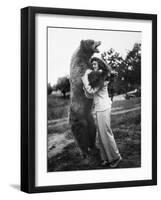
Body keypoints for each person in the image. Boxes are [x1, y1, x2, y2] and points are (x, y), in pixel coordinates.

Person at [81, 57, 122, 168]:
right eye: (92, 64)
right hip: (99, 108)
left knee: (106, 134)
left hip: (104, 107)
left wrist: (84, 78)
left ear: (99, 64)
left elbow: (91, 90)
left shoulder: (102, 76)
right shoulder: (97, 76)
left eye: (94, 64)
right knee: (101, 135)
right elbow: (90, 94)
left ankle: (116, 157)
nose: (93, 66)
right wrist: (85, 87)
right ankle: (106, 158)